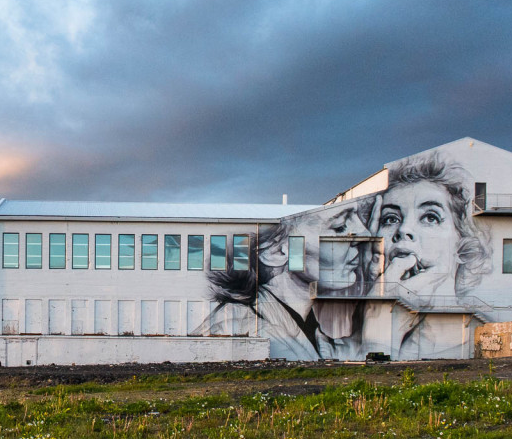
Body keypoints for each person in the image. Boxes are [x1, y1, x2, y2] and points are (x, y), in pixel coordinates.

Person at [207, 198, 377, 360]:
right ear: (277, 252)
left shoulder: (305, 325)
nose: (364, 233)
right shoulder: (245, 325)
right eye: (340, 227)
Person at [368, 152, 491, 357]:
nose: (404, 229)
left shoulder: (472, 340)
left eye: (430, 217)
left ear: (461, 242)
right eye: (390, 219)